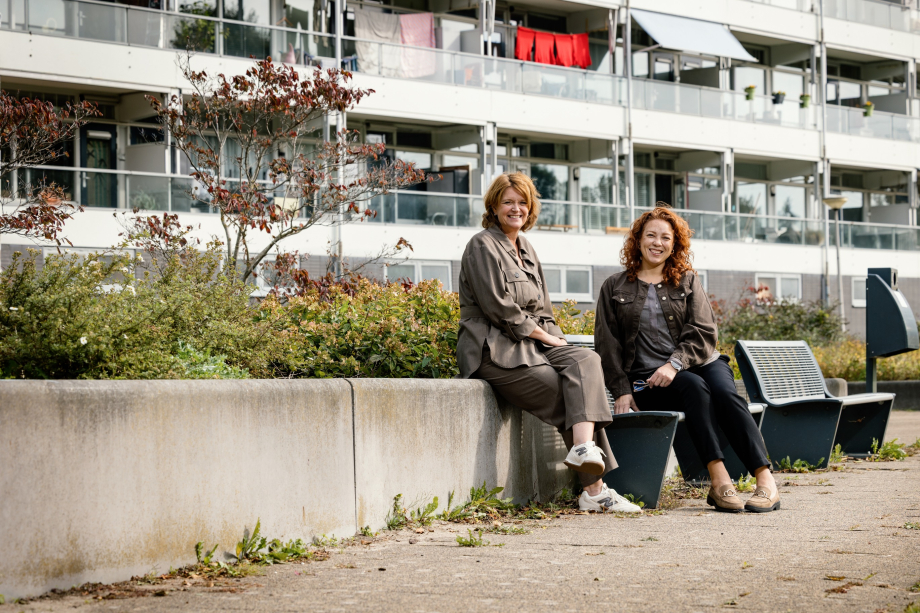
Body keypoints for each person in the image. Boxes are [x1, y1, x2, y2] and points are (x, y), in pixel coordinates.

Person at [457, 173, 640, 513]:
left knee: (586, 361)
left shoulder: (525, 247)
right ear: (494, 206)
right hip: (493, 350)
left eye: (522, 202)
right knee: (566, 393)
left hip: (532, 346)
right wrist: (546, 338)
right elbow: (501, 309)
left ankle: (584, 452)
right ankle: (595, 492)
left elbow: (544, 308)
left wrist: (560, 341)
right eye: (508, 202)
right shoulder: (482, 245)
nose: (516, 208)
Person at [594, 205, 780, 513]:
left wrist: (674, 363)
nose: (657, 243)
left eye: (665, 237)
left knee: (724, 393)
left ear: (674, 243)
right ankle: (719, 481)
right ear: (638, 240)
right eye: (650, 235)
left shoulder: (687, 281)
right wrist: (622, 389)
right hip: (648, 379)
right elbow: (607, 344)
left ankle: (766, 481)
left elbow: (704, 330)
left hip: (701, 362)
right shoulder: (615, 286)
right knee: (694, 388)